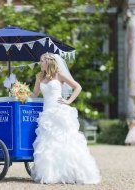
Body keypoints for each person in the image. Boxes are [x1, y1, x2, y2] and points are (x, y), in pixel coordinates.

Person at [30, 52, 101, 184]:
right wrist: (21, 93)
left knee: (66, 142)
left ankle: (73, 173)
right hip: (47, 114)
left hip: (59, 112)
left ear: (49, 62)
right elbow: (35, 93)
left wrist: (68, 101)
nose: (40, 63)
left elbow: (77, 87)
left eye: (42, 61)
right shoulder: (39, 76)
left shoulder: (59, 74)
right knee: (48, 145)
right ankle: (50, 175)